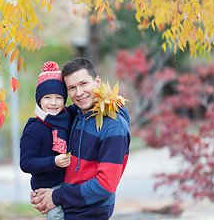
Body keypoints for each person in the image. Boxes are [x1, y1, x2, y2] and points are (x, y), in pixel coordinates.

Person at [31, 57, 131, 220]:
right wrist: (43, 194)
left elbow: (105, 185)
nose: (78, 93)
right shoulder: (77, 114)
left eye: (84, 84)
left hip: (90, 215)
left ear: (97, 82)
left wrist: (56, 196)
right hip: (68, 211)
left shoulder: (113, 126)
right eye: (72, 88)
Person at [20, 61, 78, 220]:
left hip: (67, 182)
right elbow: (26, 163)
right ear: (39, 100)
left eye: (58, 97)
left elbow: (86, 102)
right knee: (56, 217)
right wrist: (54, 161)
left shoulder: (67, 115)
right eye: (47, 97)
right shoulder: (34, 128)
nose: (53, 103)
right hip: (47, 186)